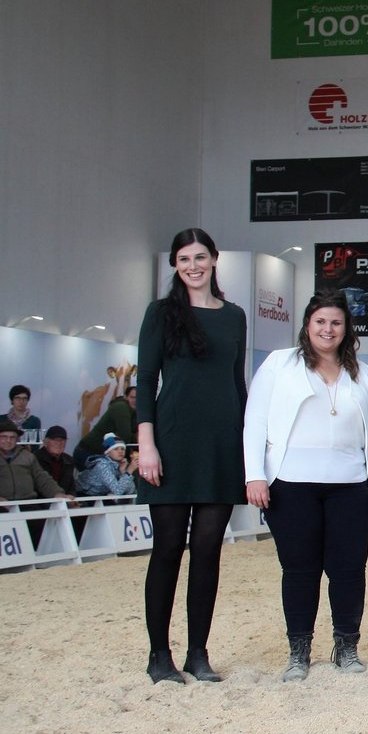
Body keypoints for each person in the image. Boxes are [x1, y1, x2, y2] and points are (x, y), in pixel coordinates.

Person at [245, 291, 368, 682]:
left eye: (336, 323)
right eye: (321, 322)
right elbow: (255, 421)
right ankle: (299, 650)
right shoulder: (280, 364)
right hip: (290, 484)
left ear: (347, 329)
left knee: (349, 570)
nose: (328, 329)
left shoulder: (362, 372)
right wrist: (254, 474)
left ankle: (347, 646)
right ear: (308, 326)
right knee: (299, 570)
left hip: (349, 485)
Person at [135, 228, 247, 685]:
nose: (193, 265)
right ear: (176, 265)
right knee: (166, 551)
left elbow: (236, 384)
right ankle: (159, 654)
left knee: (207, 553)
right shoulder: (161, 313)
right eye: (184, 259)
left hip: (222, 445)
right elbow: (144, 382)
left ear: (215, 260)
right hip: (172, 444)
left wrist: (247, 446)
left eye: (200, 256)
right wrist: (147, 444)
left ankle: (198, 652)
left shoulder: (235, 316)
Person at [0, 418, 72, 548]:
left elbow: (41, 478)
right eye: (4, 437)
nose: (8, 440)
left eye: (13, 437)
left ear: (18, 439)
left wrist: (57, 493)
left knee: (44, 526)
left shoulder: (27, 456)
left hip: (27, 503)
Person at [76, 386, 138, 467]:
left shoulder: (135, 413)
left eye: (139, 397)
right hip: (89, 453)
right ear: (125, 397)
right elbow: (125, 436)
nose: (136, 401)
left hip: (101, 454)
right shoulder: (121, 407)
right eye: (132, 397)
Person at [77, 433, 138, 497]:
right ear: (108, 452)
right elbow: (118, 490)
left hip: (100, 496)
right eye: (116, 449)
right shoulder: (102, 465)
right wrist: (128, 472)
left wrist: (123, 472)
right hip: (83, 495)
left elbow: (131, 491)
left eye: (122, 449)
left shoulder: (121, 464)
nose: (120, 451)